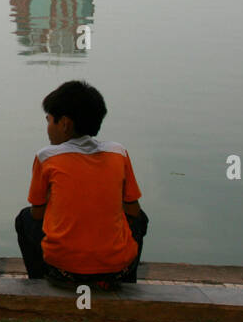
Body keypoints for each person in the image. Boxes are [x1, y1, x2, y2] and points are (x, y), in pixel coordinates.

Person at [15, 80, 148, 288]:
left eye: (49, 121)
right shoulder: (118, 153)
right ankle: (127, 282)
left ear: (65, 124)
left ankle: (39, 281)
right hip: (116, 269)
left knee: (24, 218)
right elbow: (133, 210)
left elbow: (37, 215)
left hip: (64, 271)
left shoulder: (46, 157)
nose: (48, 128)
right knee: (140, 219)